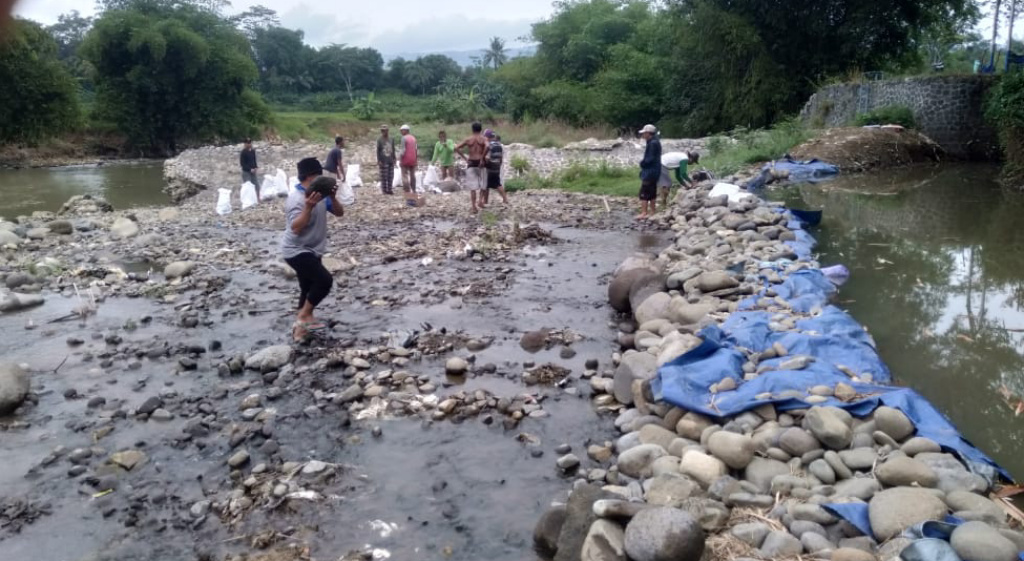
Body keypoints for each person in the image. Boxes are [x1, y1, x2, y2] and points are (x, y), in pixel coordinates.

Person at [282, 158, 344, 342]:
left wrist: (332, 197)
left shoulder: (321, 195)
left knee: (307, 288)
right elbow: (296, 227)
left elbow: (340, 213)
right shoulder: (297, 199)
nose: (322, 177)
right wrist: (308, 207)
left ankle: (300, 329)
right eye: (319, 174)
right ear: (310, 176)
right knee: (324, 280)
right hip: (296, 250)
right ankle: (303, 317)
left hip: (313, 249)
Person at [455, 122, 488, 213]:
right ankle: (480, 201)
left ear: (472, 129)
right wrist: (482, 158)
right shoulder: (484, 138)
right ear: (481, 129)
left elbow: (456, 148)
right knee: (483, 184)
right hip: (481, 163)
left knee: (473, 187)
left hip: (471, 162)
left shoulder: (468, 139)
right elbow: (488, 146)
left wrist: (465, 159)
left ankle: (473, 206)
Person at [637, 124, 661, 220]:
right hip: (655, 171)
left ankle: (644, 212)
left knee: (644, 191)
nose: (642, 135)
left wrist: (642, 163)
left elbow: (649, 159)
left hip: (650, 171)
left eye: (643, 133)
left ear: (648, 133)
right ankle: (653, 212)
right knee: (652, 191)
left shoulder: (652, 144)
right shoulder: (655, 141)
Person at [482, 131, 509, 205]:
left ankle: (485, 201)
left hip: (490, 166)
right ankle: (505, 199)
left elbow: (487, 157)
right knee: (497, 183)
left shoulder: (489, 145)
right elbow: (501, 158)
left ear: (487, 137)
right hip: (497, 166)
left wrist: (483, 160)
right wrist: (499, 165)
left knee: (486, 184)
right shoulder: (499, 145)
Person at [376, 125, 396, 195]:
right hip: (383, 160)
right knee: (384, 176)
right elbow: (378, 150)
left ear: (387, 131)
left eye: (385, 130)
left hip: (390, 159)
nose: (383, 132)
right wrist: (379, 160)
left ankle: (389, 189)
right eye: (382, 131)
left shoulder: (391, 139)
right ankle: (384, 190)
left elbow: (393, 149)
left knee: (391, 176)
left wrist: (394, 158)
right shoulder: (379, 140)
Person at [398, 124, 418, 194]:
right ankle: (414, 189)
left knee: (404, 175)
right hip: (413, 159)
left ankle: (407, 190)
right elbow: (416, 149)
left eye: (402, 131)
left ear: (406, 131)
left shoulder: (404, 138)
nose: (401, 132)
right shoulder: (413, 138)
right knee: (412, 175)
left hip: (406, 159)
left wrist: (400, 159)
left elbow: (403, 150)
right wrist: (416, 159)